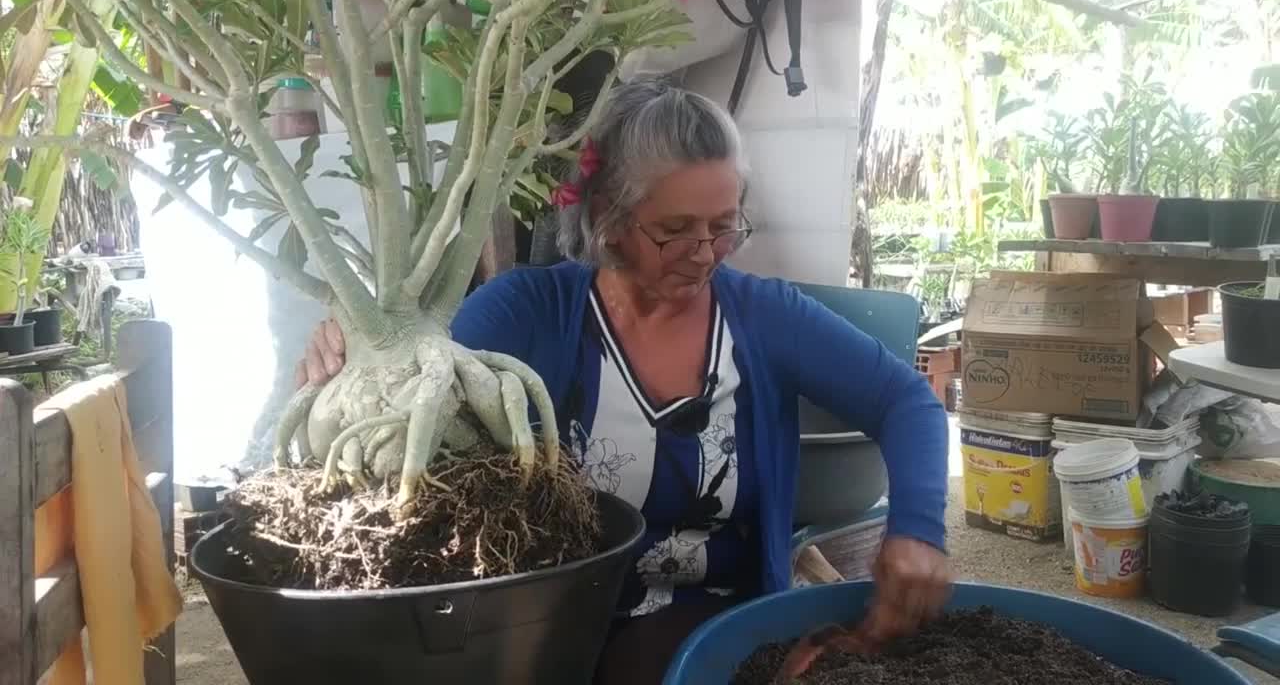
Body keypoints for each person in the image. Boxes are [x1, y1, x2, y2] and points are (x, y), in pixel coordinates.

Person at [298, 77, 951, 684]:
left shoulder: (762, 317)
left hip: (714, 617)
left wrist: (918, 528)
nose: (705, 253)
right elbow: (421, 384)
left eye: (724, 226)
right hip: (550, 619)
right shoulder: (529, 313)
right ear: (609, 216)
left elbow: (904, 401)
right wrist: (360, 354)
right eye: (675, 231)